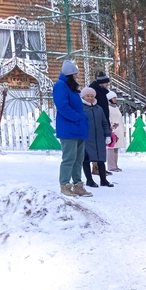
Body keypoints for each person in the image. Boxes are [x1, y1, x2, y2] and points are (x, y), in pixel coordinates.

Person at [54, 60, 91, 197]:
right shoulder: (60, 86)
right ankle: (64, 185)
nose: (77, 76)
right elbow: (63, 107)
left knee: (78, 159)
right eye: (75, 73)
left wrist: (82, 119)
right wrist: (78, 117)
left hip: (78, 128)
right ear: (70, 74)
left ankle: (78, 185)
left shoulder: (70, 87)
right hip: (68, 128)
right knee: (69, 158)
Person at [81, 87, 113, 188]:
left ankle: (103, 180)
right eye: (88, 96)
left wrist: (107, 135)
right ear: (83, 97)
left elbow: (104, 123)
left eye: (92, 96)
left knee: (101, 159)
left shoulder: (99, 109)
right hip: (86, 138)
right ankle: (89, 180)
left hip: (99, 138)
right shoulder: (81, 108)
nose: (90, 98)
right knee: (86, 159)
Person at [106, 91, 125, 172]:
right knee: (111, 148)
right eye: (113, 98)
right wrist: (111, 127)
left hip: (119, 130)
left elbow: (120, 119)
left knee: (116, 148)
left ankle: (115, 164)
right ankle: (111, 166)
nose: (115, 99)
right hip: (113, 130)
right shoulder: (108, 108)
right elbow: (108, 118)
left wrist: (123, 129)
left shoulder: (116, 107)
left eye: (115, 98)